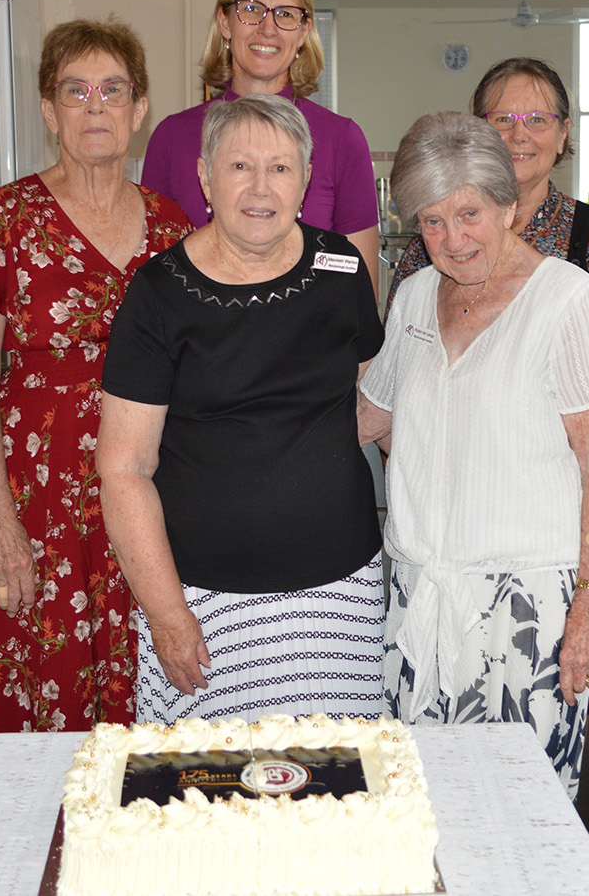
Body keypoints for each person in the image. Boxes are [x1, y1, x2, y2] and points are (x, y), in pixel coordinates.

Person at [358, 111, 589, 801]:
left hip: (526, 609)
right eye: (433, 221)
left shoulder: (566, 298)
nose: (454, 239)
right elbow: (370, 417)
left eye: (470, 212)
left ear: (508, 205)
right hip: (421, 598)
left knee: (521, 813)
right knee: (421, 810)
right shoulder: (414, 296)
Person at [98, 93, 384, 723]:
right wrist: (168, 615)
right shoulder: (156, 295)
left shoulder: (342, 269)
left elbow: (375, 400)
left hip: (338, 595)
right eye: (239, 167)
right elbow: (123, 470)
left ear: (306, 179)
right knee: (203, 797)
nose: (262, 187)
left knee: (335, 791)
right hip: (201, 605)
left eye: (281, 168)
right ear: (204, 177)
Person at [386, 60, 589, 690]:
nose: (520, 132)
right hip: (442, 555)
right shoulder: (424, 261)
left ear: (564, 134)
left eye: (537, 119)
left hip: (547, 546)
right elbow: (401, 383)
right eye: (502, 118)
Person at [0, 18, 190, 733]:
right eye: (75, 90)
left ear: (138, 110)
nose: (94, 106)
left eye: (112, 90)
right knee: (24, 710)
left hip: (144, 505)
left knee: (143, 711)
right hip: (32, 505)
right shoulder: (0, 220)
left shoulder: (172, 227)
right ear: (49, 110)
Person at [141, 0, 380, 287]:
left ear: (303, 31)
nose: (268, 28)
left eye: (285, 14)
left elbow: (359, 287)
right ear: (225, 23)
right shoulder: (172, 138)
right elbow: (156, 278)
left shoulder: (342, 140)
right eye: (251, 9)